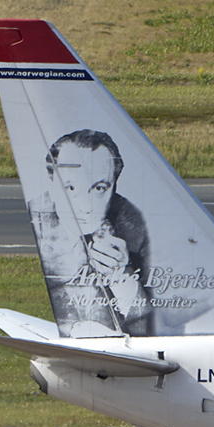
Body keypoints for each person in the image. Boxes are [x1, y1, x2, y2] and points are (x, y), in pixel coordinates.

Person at [28, 129, 155, 336]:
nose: (86, 207)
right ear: (50, 182)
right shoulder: (35, 220)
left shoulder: (138, 229)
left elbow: (151, 331)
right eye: (70, 188)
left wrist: (122, 277)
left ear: (114, 185)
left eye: (99, 189)